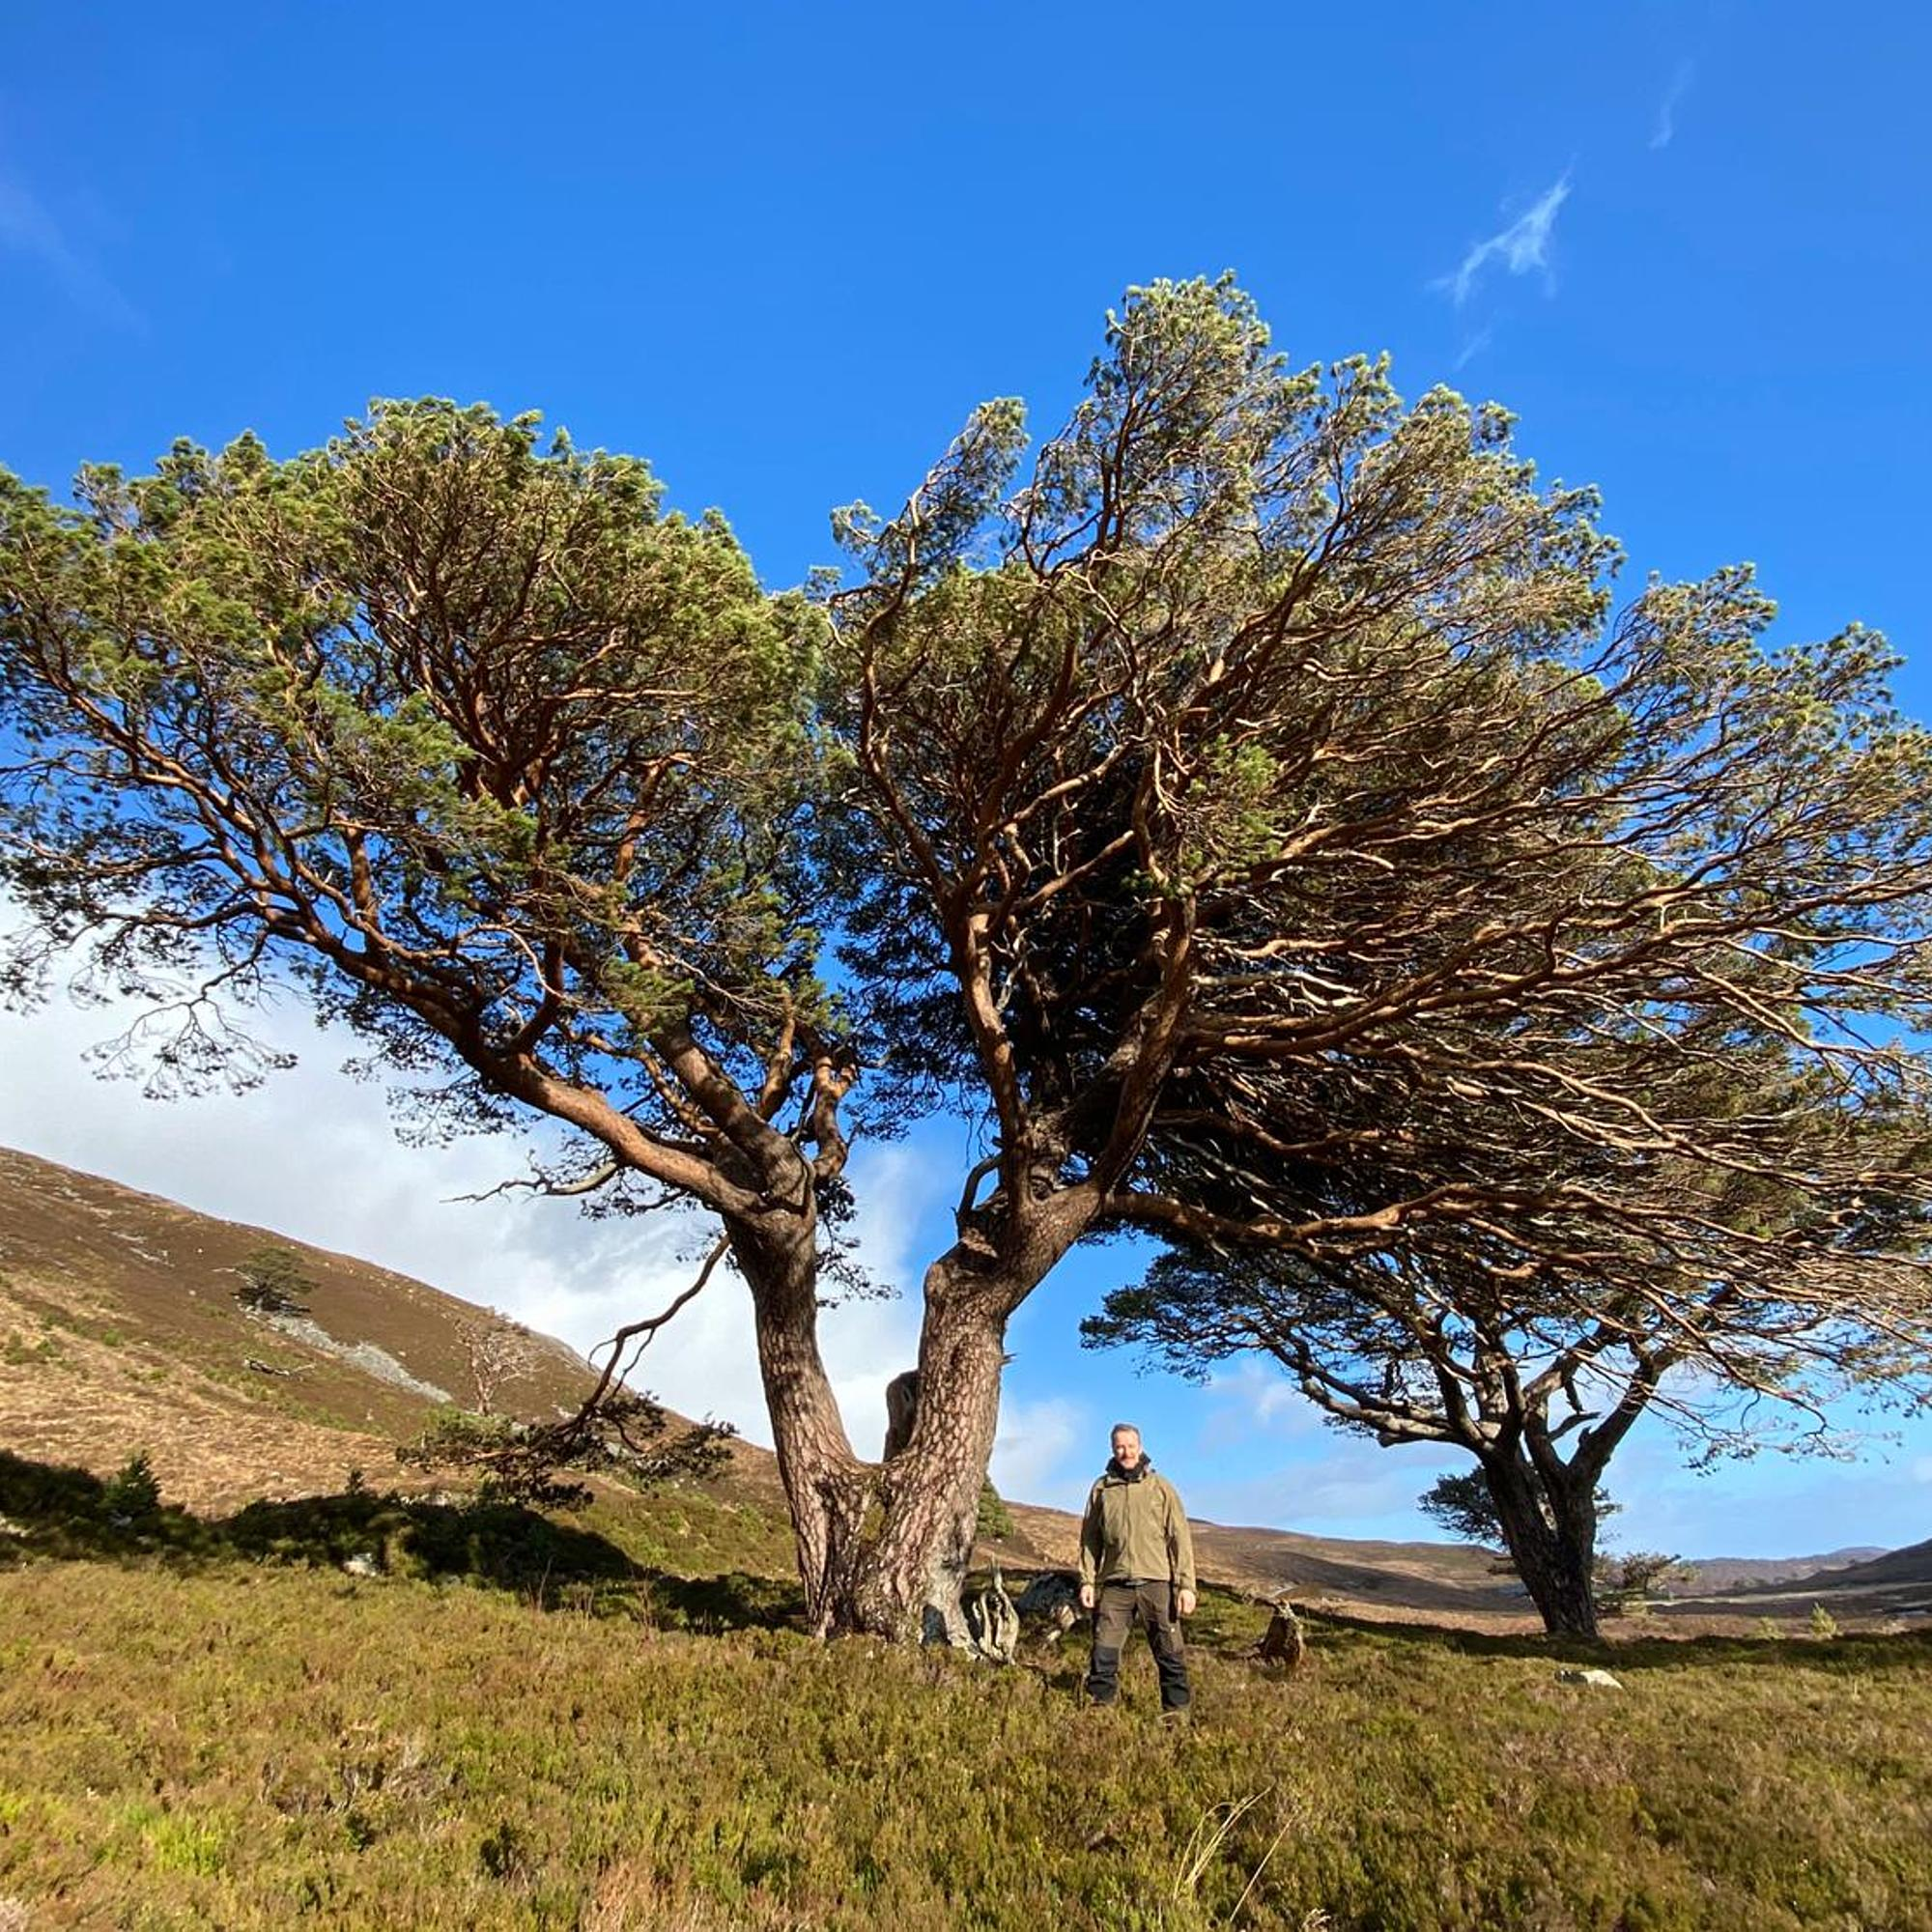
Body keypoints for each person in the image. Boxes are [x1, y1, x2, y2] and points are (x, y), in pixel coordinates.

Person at [1077, 1421, 1196, 1714]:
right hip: (1116, 1584)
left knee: (1170, 1653)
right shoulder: (1102, 1489)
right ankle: (1099, 1710)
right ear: (1112, 1449)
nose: (1125, 1451)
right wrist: (1087, 1580)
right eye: (1120, 1446)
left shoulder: (1160, 1487)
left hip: (1157, 1583)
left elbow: (1180, 1537)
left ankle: (1175, 1713)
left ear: (1140, 1447)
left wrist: (1186, 1586)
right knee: (1103, 1651)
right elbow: (1090, 1539)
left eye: (1130, 1446)